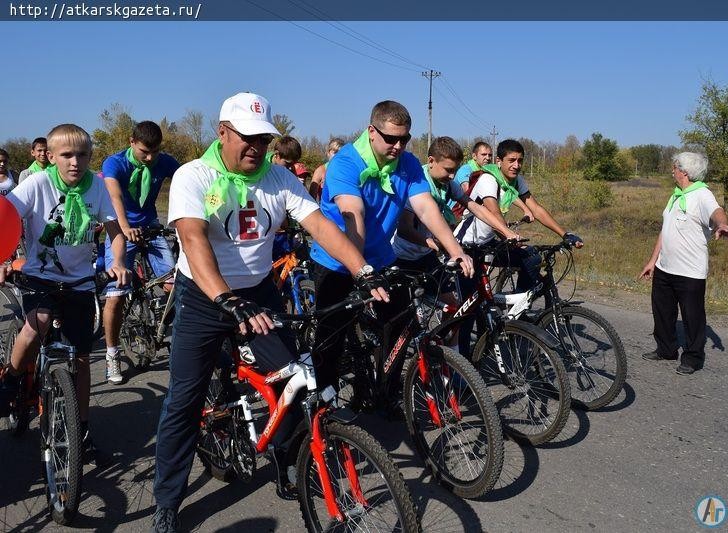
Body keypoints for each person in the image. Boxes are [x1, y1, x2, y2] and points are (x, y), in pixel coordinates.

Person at [150, 92, 387, 533]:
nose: (257, 147)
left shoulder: (278, 178)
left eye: (264, 138)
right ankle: (167, 500)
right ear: (223, 132)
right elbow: (193, 239)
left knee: (294, 382)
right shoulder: (194, 175)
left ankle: (292, 464)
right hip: (205, 295)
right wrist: (225, 297)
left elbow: (319, 225)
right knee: (184, 400)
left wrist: (363, 270)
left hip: (258, 291)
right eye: (247, 137)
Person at [310, 100, 474, 399]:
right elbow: (353, 215)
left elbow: (425, 208)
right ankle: (326, 405)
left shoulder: (408, 164)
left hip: (382, 258)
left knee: (400, 324)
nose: (398, 146)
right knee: (330, 339)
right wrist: (360, 271)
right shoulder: (346, 162)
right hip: (338, 261)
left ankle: (386, 390)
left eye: (405, 139)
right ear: (372, 132)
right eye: (391, 138)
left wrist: (456, 250)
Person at [0, 124, 129, 451]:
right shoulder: (35, 184)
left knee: (82, 359)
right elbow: (6, 216)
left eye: (82, 155)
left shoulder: (96, 188)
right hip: (40, 278)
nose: (75, 162)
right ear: (52, 156)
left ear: (90, 156)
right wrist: (3, 260)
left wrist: (118, 262)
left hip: (80, 282)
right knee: (38, 322)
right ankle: (11, 379)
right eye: (67, 155)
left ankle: (81, 428)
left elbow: (115, 229)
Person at [392, 136, 519, 351]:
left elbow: (476, 207)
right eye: (448, 170)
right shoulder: (417, 183)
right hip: (400, 257)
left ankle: (447, 364)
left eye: (455, 170)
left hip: (425, 256)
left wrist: (506, 232)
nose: (452, 176)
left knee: (453, 310)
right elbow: (404, 229)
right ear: (431, 161)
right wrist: (432, 243)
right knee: (400, 324)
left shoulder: (447, 184)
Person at [100, 121, 180, 384]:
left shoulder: (164, 161)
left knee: (175, 283)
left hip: (151, 227)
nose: (149, 157)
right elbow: (114, 197)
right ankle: (112, 355)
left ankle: (167, 330)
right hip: (121, 227)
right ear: (132, 141)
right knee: (117, 292)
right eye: (144, 151)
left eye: (154, 152)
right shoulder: (115, 163)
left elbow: (188, 180)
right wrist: (124, 227)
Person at [638, 152, 728, 375]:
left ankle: (693, 358)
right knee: (662, 312)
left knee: (693, 317)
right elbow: (666, 230)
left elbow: (717, 212)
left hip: (690, 271)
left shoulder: (701, 194)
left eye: (675, 167)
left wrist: (722, 225)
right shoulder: (676, 195)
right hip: (665, 267)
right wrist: (652, 261)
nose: (672, 170)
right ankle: (666, 349)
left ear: (685, 172)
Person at [454, 138, 582, 291]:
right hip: (466, 245)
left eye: (520, 161)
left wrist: (565, 234)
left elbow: (536, 208)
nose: (516, 165)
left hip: (488, 243)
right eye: (512, 160)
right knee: (470, 306)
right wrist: (509, 235)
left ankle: (519, 308)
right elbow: (493, 213)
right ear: (499, 161)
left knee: (531, 257)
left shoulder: (516, 180)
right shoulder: (488, 179)